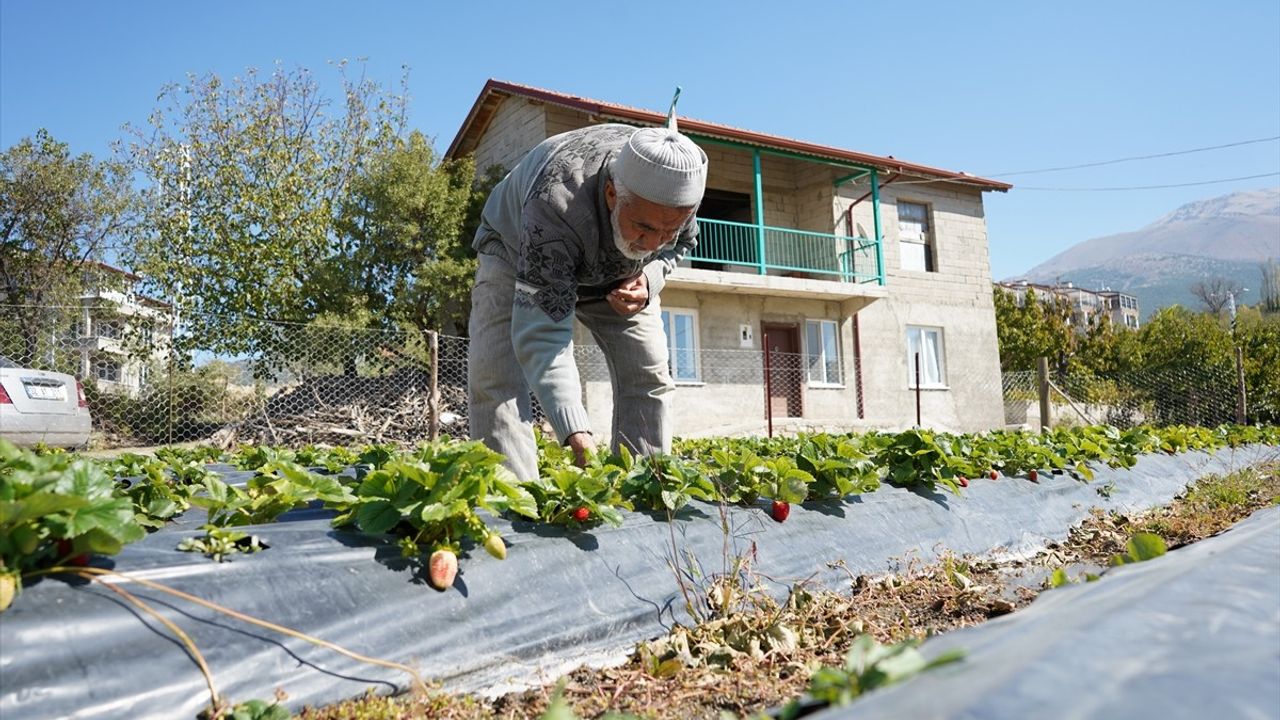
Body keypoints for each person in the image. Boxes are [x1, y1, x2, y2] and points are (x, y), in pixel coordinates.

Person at [467, 113, 708, 482]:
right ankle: (510, 505)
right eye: (644, 228)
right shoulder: (555, 203)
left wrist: (650, 277)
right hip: (515, 251)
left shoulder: (675, 196)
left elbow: (681, 244)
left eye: (668, 230)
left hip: (617, 273)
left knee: (648, 371)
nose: (655, 242)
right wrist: (573, 427)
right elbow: (543, 335)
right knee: (496, 377)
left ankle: (644, 492)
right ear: (613, 194)